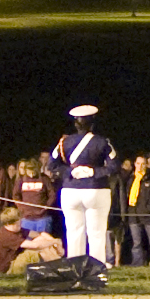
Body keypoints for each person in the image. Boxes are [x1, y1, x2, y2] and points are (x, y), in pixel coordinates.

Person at [49, 105, 119, 268]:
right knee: (96, 233)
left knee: (74, 233)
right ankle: (96, 270)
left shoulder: (64, 142)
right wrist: (94, 171)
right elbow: (114, 166)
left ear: (76, 124)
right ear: (92, 123)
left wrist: (70, 173)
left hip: (70, 190)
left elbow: (52, 165)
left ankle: (75, 268)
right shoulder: (102, 142)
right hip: (96, 189)